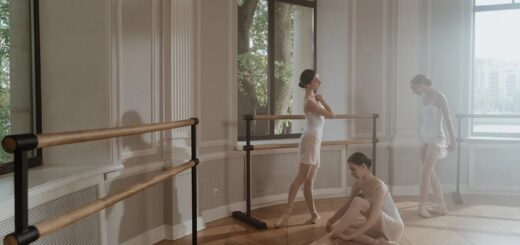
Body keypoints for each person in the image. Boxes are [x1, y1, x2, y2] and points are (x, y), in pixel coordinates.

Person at [274, 69, 334, 228]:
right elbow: (331, 115)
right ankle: (286, 213)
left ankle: (314, 214)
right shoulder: (310, 101)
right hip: (310, 140)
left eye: (318, 80)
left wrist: (320, 99)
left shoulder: (314, 99)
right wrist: (324, 100)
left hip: (316, 141)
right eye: (316, 80)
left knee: (309, 181)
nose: (319, 83)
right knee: (301, 178)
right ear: (308, 84)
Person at [311, 152, 404, 245]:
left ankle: (324, 239)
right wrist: (331, 221)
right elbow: (347, 206)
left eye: (353, 169)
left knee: (358, 201)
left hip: (393, 228)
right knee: (341, 228)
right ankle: (379, 243)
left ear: (363, 166)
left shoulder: (380, 187)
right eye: (350, 170)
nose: (351, 173)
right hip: (379, 226)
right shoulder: (359, 183)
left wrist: (350, 237)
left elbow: (373, 217)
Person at [410, 74, 456, 218]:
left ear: (421, 84)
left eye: (413, 88)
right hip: (424, 138)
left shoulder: (440, 97)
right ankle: (442, 206)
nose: (413, 92)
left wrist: (453, 141)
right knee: (431, 174)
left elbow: (448, 120)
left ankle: (421, 206)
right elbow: (425, 120)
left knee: (425, 174)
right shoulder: (424, 97)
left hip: (436, 139)